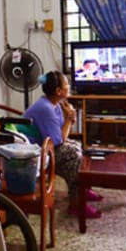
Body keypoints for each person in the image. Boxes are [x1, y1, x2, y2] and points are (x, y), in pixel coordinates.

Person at [23, 70, 102, 219]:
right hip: (35, 154)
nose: (69, 86)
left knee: (77, 147)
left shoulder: (55, 104)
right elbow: (58, 141)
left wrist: (68, 119)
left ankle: (81, 190)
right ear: (58, 91)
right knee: (74, 156)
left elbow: (60, 137)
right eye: (67, 84)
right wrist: (70, 119)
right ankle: (77, 203)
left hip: (47, 146)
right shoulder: (45, 108)